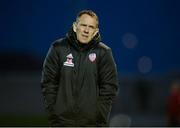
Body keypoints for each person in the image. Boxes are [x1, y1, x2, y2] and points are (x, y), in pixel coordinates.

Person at [41, 10, 119, 127]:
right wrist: (54, 114)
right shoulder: (58, 48)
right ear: (75, 26)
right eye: (83, 25)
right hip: (62, 123)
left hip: (92, 124)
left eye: (91, 27)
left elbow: (109, 87)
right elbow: (49, 83)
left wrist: (99, 116)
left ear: (95, 31)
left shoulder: (103, 52)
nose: (86, 30)